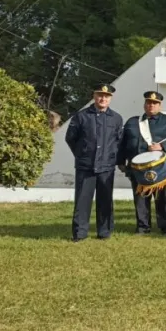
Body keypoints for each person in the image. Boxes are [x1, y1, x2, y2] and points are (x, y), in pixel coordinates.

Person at [65, 84, 124, 242]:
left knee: (105, 201)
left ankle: (104, 232)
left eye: (106, 96)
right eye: (100, 95)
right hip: (86, 166)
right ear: (94, 95)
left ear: (110, 98)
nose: (103, 98)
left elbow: (118, 141)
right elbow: (70, 138)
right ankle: (80, 233)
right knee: (82, 201)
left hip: (106, 167)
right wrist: (82, 154)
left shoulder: (116, 118)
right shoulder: (81, 116)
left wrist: (113, 158)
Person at [119, 91, 166, 236]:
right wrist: (120, 161)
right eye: (148, 103)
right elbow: (123, 143)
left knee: (164, 198)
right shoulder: (133, 122)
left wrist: (162, 147)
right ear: (144, 104)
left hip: (162, 168)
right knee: (141, 197)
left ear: (160, 105)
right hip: (138, 168)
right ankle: (142, 227)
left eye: (154, 103)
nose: (151, 105)